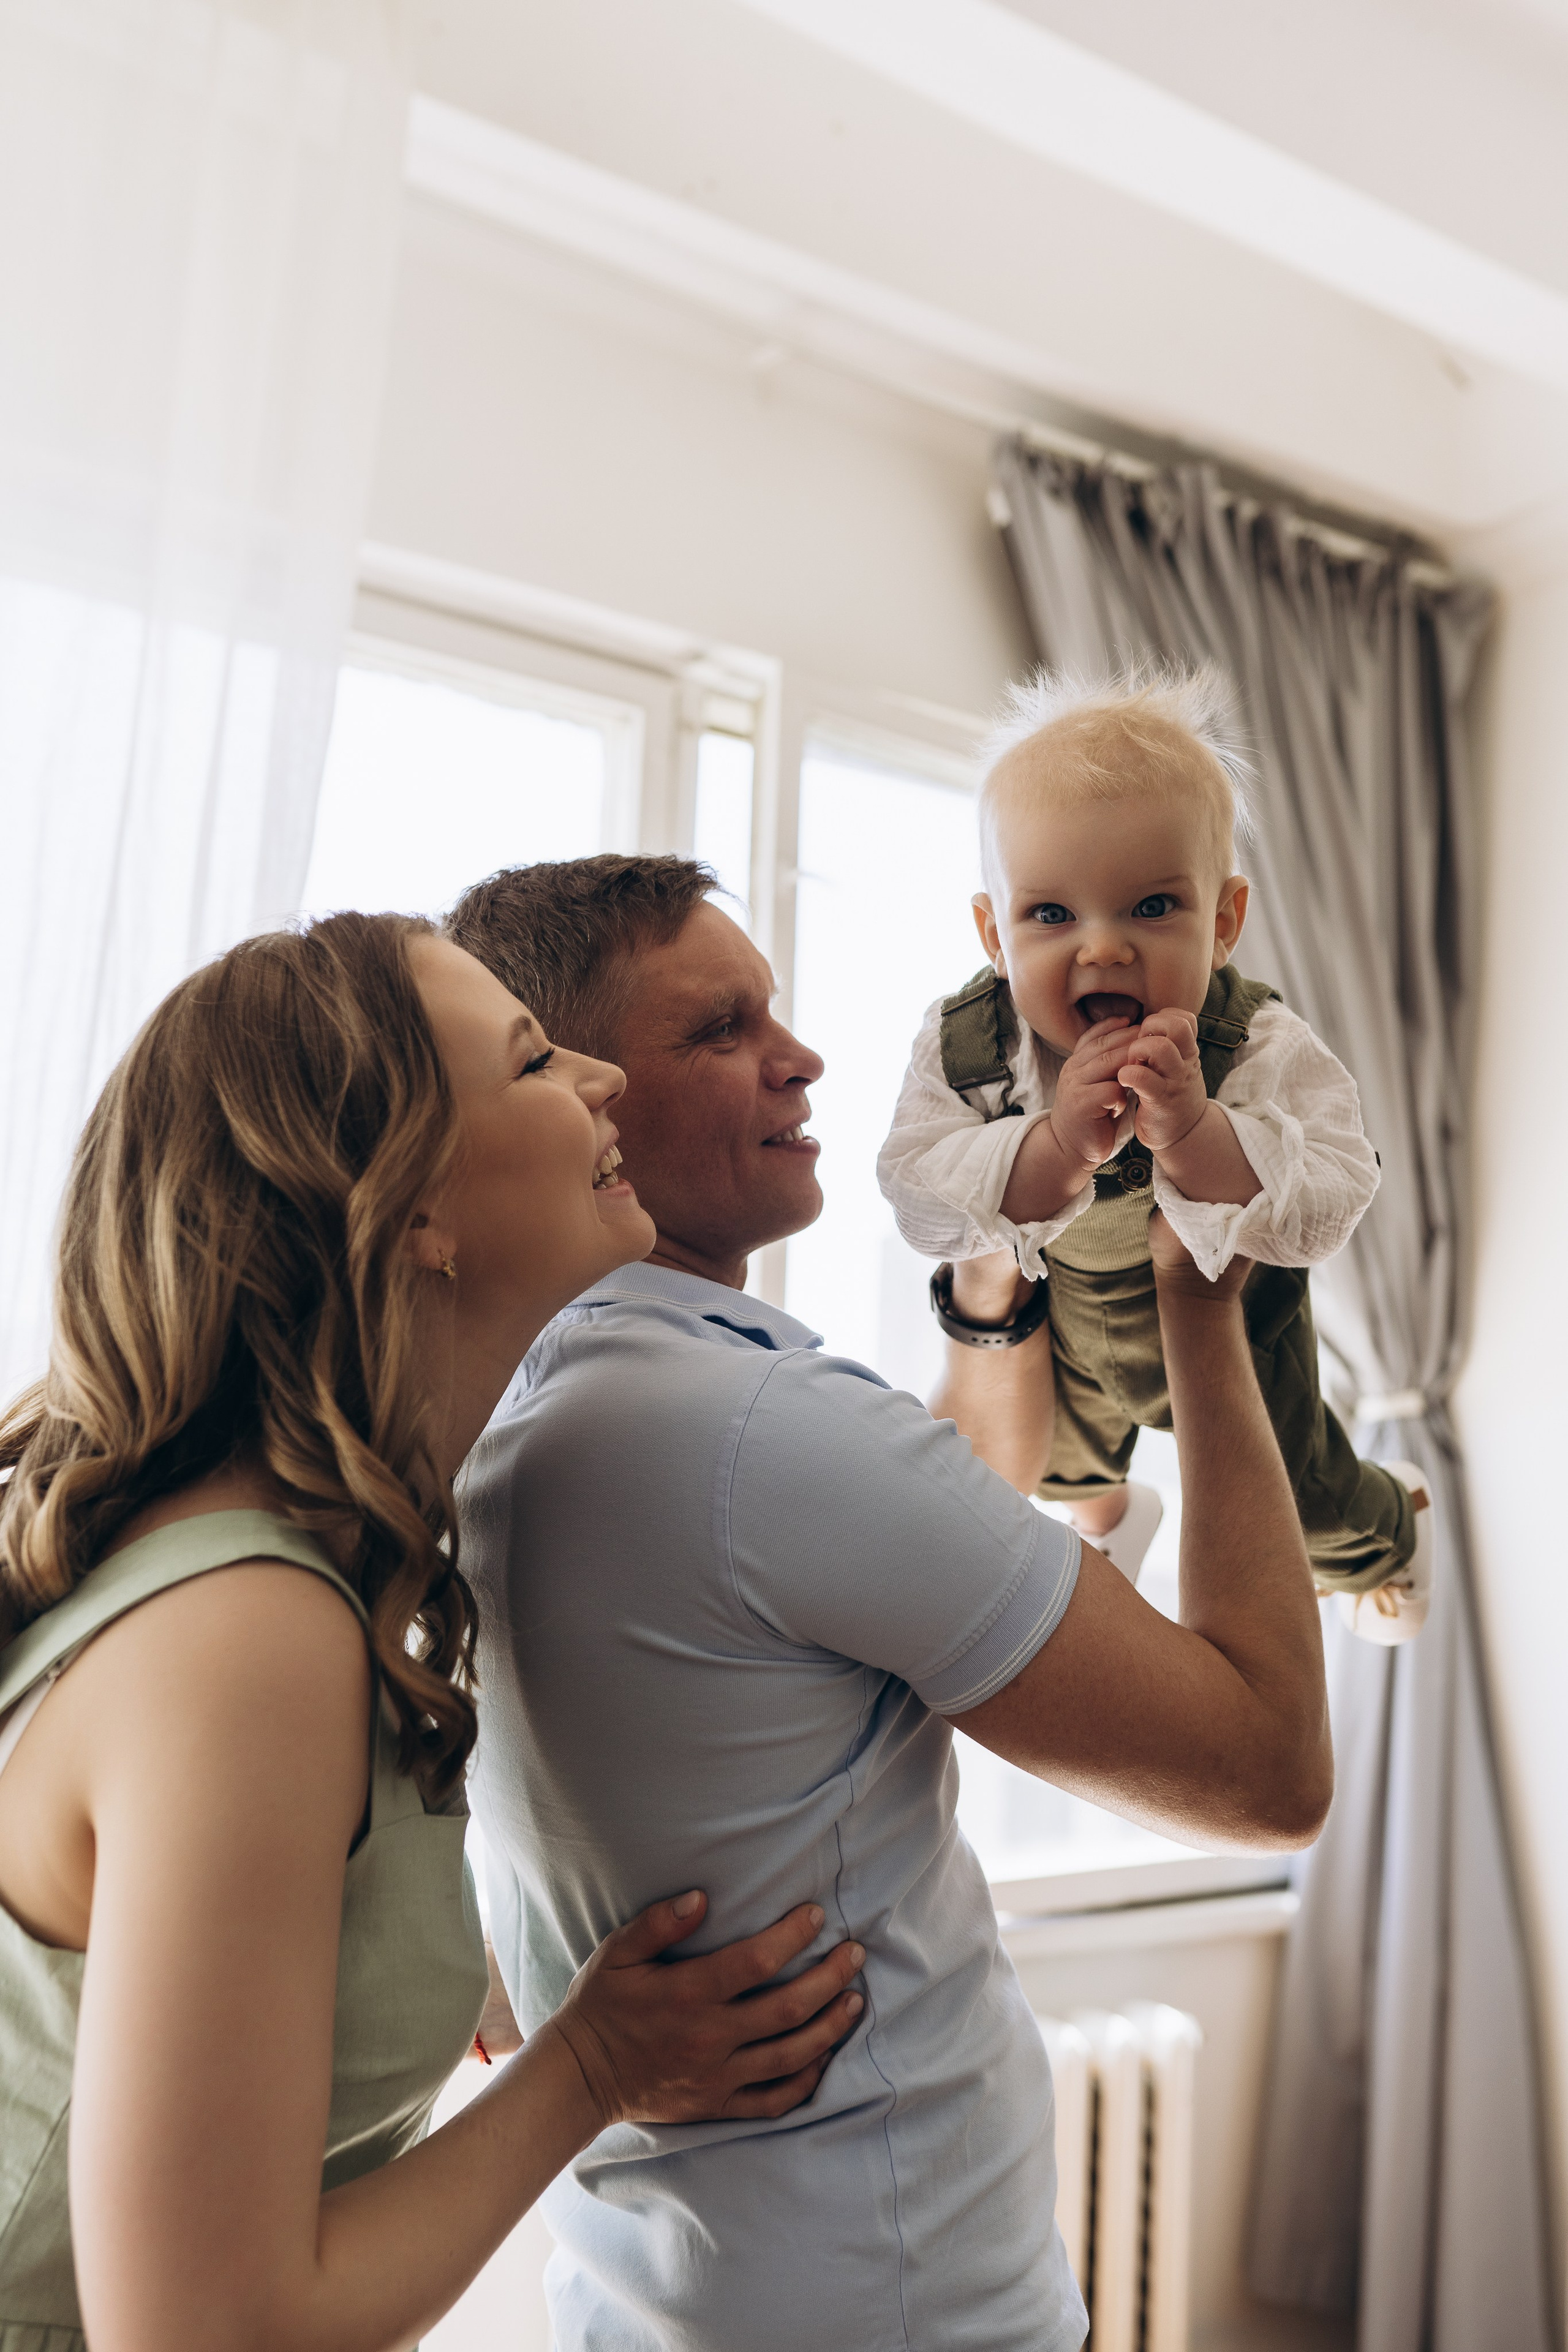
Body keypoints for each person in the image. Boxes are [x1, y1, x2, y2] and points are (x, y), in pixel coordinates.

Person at [445, 854, 1335, 2352]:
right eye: (720, 1031)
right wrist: (1203, 1300)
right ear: (586, 1097)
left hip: (653, 2296)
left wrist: (993, 1270)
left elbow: (933, 1524)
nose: (799, 1057)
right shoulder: (741, 1429)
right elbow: (1267, 1770)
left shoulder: (500, 1419)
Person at [0, 912, 865, 2352]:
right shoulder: (246, 1633)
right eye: (532, 1060)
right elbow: (212, 2329)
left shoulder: (311, 1576)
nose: (596, 1080)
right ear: (411, 1212)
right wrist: (593, 2061)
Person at [877, 663, 1431, 1643]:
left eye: (1150, 908)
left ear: (1223, 922)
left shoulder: (1256, 1044)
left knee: (1296, 1504)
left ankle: (1392, 1534)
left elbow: (1334, 1192)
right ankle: (1110, 1518)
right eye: (1051, 915)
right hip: (1073, 1311)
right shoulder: (970, 1046)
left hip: (1236, 1321)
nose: (1101, 949)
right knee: (1056, 1462)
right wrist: (1046, 1149)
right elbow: (919, 1190)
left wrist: (1197, 1134)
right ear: (992, 934)